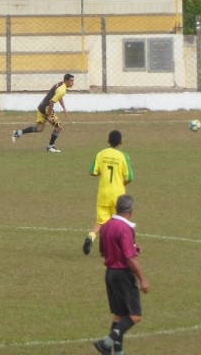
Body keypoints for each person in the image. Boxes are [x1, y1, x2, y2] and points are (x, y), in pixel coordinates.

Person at [94, 194, 149, 355]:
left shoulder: (107, 226)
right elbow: (129, 258)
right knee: (135, 315)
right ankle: (106, 343)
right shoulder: (125, 228)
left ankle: (118, 352)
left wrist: (132, 248)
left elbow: (104, 252)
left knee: (119, 316)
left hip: (110, 274)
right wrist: (143, 280)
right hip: (123, 275)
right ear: (130, 211)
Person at [83, 130, 133, 256]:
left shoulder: (101, 154)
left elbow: (92, 172)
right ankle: (118, 248)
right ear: (121, 142)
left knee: (101, 222)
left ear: (108, 141)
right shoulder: (123, 156)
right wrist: (121, 184)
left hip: (104, 194)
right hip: (118, 195)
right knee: (118, 223)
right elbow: (129, 178)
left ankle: (91, 236)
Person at [11, 73, 73, 152]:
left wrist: (64, 108)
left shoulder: (61, 84)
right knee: (58, 127)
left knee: (39, 128)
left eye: (73, 81)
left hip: (41, 106)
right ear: (66, 81)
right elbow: (52, 102)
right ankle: (50, 147)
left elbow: (58, 97)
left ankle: (18, 133)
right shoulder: (62, 90)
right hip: (46, 108)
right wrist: (49, 115)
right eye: (71, 81)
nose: (72, 83)